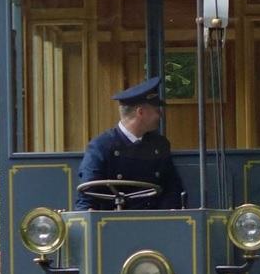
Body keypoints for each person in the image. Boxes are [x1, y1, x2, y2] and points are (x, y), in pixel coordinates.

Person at [75, 76, 185, 210]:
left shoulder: (160, 145)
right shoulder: (102, 146)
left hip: (153, 223)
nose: (160, 116)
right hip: (113, 224)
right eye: (157, 111)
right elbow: (88, 195)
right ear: (141, 112)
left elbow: (173, 190)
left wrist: (167, 217)